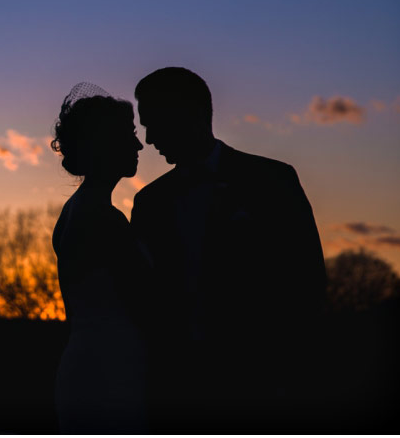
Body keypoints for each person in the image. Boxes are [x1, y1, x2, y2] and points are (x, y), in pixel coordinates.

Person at [130, 67, 327, 433]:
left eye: (154, 122)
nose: (149, 138)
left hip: (260, 387)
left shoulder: (273, 180)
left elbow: (308, 281)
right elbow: (143, 299)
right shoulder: (149, 203)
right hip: (177, 392)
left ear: (190, 113)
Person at [50, 82, 151, 434]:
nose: (139, 144)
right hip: (110, 375)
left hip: (84, 366)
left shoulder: (74, 210)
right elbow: (145, 303)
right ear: (104, 144)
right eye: (129, 134)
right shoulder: (103, 219)